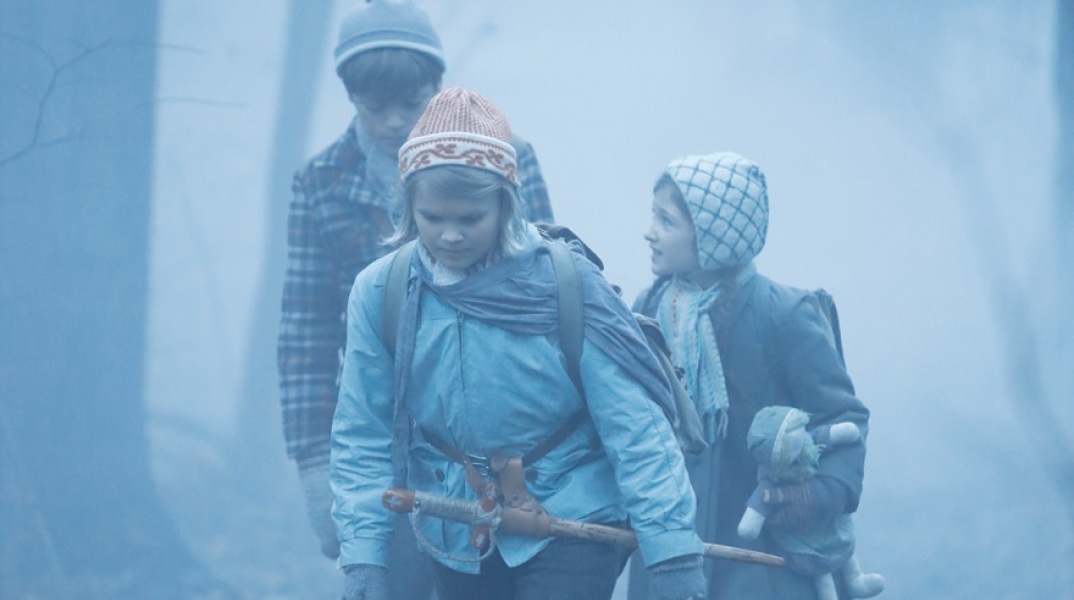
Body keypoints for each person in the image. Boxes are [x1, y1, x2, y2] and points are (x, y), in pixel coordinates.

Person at [331, 87, 707, 600]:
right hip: (456, 524)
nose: (450, 236)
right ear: (408, 206)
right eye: (433, 218)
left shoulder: (565, 286)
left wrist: (673, 555)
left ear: (504, 205)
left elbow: (635, 427)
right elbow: (362, 432)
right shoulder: (382, 292)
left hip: (573, 513)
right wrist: (363, 559)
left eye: (470, 219)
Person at [277, 1, 554, 596]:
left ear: (437, 85)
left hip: (495, 442)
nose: (393, 121)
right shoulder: (321, 183)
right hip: (386, 438)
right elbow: (306, 334)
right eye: (375, 107)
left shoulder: (507, 159)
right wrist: (316, 469)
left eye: (412, 104)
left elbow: (548, 295)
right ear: (350, 95)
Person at [627, 152, 873, 600]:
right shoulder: (648, 310)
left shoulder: (784, 315)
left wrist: (819, 496)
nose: (650, 232)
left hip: (764, 561)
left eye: (666, 221)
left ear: (712, 235)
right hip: (671, 555)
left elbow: (844, 420)